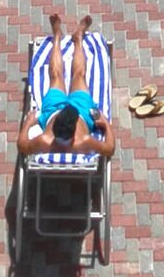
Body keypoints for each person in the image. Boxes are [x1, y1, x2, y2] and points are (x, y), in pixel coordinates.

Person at [21, 12, 116, 169]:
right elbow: (110, 149)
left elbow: (22, 145)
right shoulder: (84, 141)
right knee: (79, 75)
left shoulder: (45, 140)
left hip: (52, 111)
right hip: (82, 112)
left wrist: (28, 124)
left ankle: (57, 37)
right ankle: (78, 39)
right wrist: (105, 124)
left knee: (56, 76)